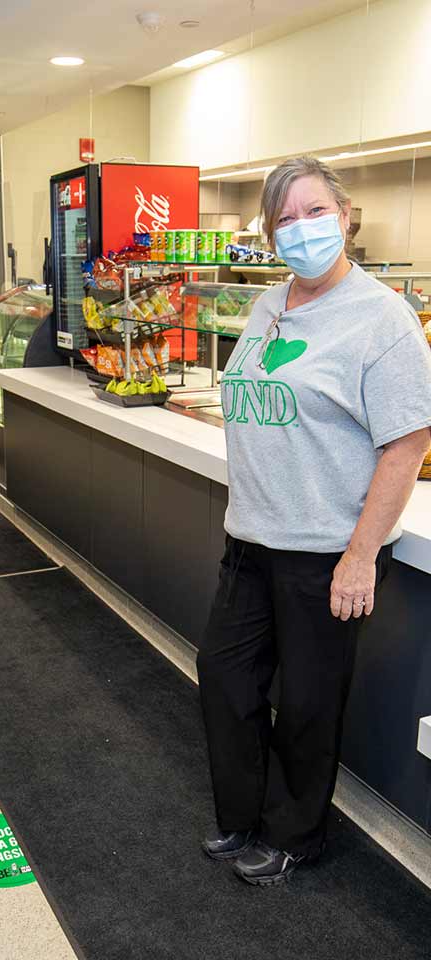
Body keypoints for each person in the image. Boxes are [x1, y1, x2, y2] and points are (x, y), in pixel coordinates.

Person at [196, 156, 431, 885]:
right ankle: (242, 816)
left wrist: (361, 555)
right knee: (224, 678)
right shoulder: (271, 304)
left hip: (326, 552)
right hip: (252, 538)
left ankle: (297, 835)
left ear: (345, 215)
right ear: (270, 233)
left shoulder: (381, 318)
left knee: (305, 704)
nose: (301, 230)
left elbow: (408, 440)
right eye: (285, 219)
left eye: (314, 211)